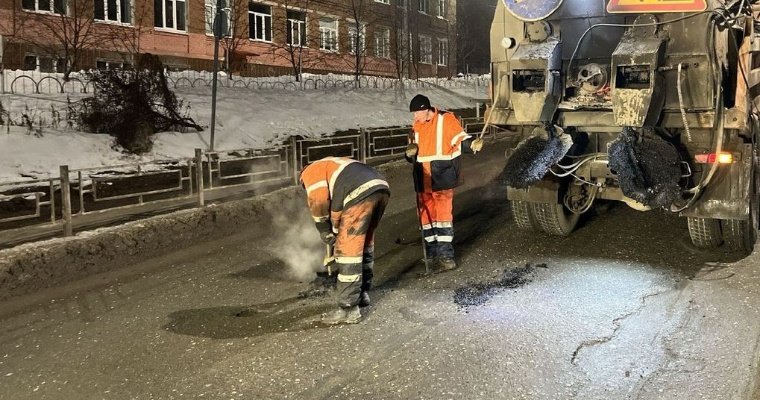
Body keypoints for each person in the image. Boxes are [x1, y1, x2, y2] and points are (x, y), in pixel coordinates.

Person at [300, 157, 390, 325]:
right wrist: (335, 230)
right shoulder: (334, 164)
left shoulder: (311, 171)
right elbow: (337, 203)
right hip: (380, 187)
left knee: (349, 252)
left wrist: (324, 229)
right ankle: (362, 294)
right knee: (364, 243)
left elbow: (318, 200)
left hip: (359, 192)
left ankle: (349, 309)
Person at [405, 94, 484, 273]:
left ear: (426, 110)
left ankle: (446, 256)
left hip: (442, 176)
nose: (414, 117)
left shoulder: (445, 120)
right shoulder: (416, 125)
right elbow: (412, 152)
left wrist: (472, 145)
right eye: (413, 113)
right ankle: (431, 253)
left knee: (442, 218)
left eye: (417, 113)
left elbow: (460, 139)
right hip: (422, 178)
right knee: (426, 218)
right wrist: (408, 154)